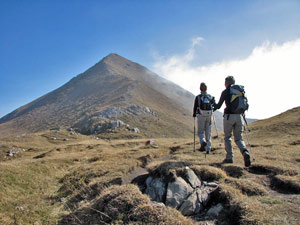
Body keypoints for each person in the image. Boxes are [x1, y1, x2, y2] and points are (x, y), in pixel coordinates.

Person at [214, 76, 251, 167]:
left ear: (226, 83)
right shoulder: (240, 91)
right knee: (239, 138)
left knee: (227, 137)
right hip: (239, 117)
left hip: (229, 117)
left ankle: (229, 158)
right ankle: (244, 151)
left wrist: (213, 103)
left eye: (225, 82)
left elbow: (218, 106)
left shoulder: (226, 92)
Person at [193, 82, 215, 154]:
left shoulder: (198, 97)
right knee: (208, 132)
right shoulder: (210, 96)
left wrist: (194, 114)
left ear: (200, 89)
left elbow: (195, 106)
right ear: (206, 88)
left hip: (201, 115)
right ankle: (208, 149)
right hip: (209, 115)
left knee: (200, 131)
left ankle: (203, 141)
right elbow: (214, 105)